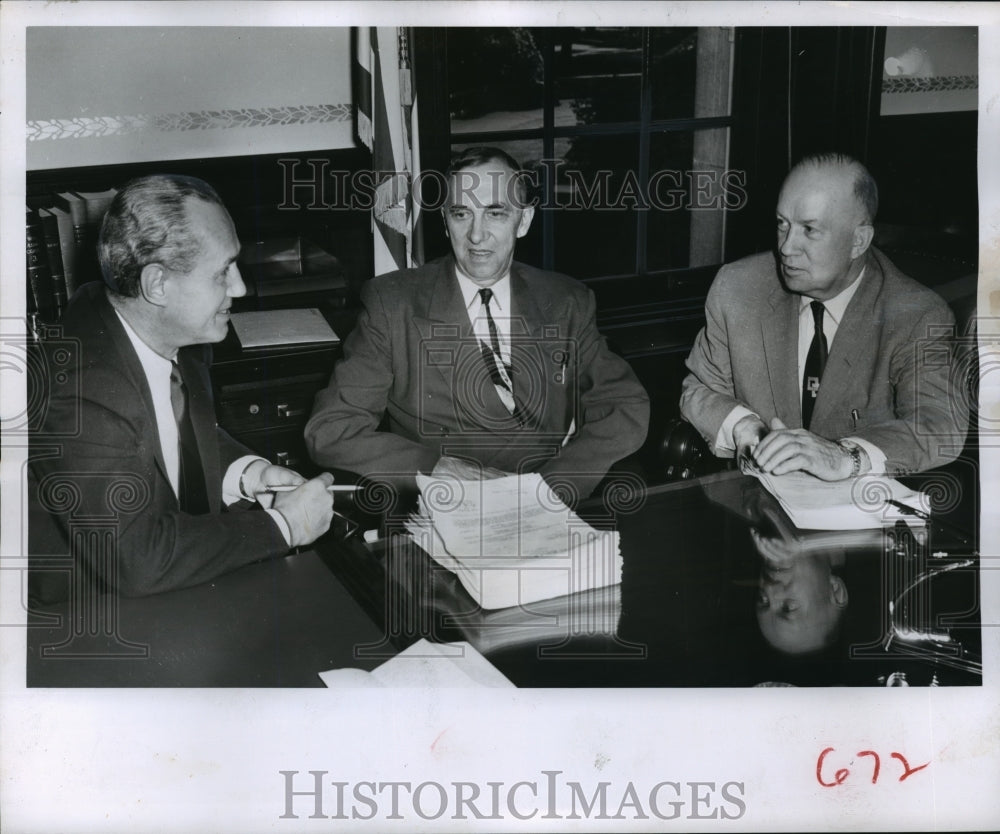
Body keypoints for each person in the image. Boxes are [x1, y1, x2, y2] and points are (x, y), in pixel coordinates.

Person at [28, 174, 337, 601]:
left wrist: (248, 474)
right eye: (222, 272)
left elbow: (179, 432)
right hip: (85, 619)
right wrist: (284, 526)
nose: (241, 288)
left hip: (166, 588)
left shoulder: (169, 334)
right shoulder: (81, 392)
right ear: (158, 285)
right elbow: (136, 560)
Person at [305, 146, 649, 504]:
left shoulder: (565, 300)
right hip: (442, 513)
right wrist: (436, 468)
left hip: (547, 507)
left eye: (496, 213)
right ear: (444, 220)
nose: (476, 235)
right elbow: (330, 430)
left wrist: (553, 488)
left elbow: (624, 404)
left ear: (524, 220)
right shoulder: (394, 305)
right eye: (461, 213)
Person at [680, 152, 966, 480]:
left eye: (810, 230)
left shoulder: (915, 314)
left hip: (861, 514)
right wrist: (741, 424)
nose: (787, 247)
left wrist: (845, 457)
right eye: (782, 224)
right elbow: (699, 388)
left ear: (858, 240)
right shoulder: (738, 289)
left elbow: (937, 426)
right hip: (757, 506)